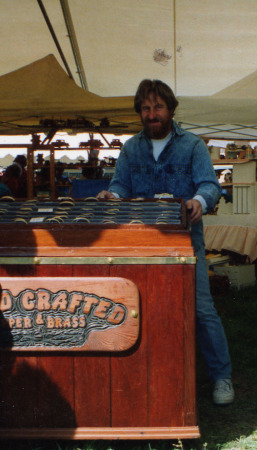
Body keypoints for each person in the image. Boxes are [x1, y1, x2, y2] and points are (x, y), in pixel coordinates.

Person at [97, 79, 235, 405]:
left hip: (187, 244)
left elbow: (210, 185)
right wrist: (112, 195)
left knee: (201, 310)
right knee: (141, 309)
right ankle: (149, 373)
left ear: (171, 109)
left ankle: (222, 377)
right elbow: (120, 186)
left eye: (157, 107)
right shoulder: (131, 148)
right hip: (141, 245)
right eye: (145, 108)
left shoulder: (193, 146)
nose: (151, 113)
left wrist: (200, 201)